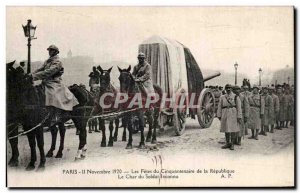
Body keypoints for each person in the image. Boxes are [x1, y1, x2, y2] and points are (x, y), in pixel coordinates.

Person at [31, 45, 79, 125]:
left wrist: (34, 76)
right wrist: (30, 74)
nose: (50, 52)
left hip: (54, 82)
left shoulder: (58, 62)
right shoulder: (47, 61)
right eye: (49, 50)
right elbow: (40, 69)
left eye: (52, 50)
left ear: (56, 52)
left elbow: (49, 72)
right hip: (46, 82)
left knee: (52, 94)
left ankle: (56, 115)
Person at [217, 84, 242, 150]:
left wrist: (239, 116)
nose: (228, 89)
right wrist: (219, 114)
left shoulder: (235, 96)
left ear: (231, 89)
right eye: (227, 88)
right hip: (225, 113)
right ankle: (228, 143)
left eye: (229, 88)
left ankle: (232, 144)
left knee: (233, 129)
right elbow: (219, 106)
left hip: (233, 113)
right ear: (225, 89)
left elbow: (239, 107)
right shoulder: (222, 97)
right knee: (226, 129)